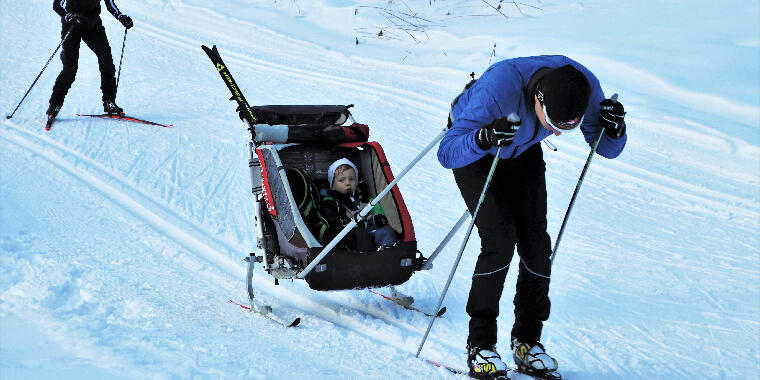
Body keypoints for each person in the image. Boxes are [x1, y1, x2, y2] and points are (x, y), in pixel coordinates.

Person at [437, 56, 627, 380]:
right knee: (499, 240)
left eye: (566, 128)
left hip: (522, 151)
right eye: (552, 124)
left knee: (537, 245)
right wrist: (483, 138)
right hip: (479, 149)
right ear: (538, 99)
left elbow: (607, 148)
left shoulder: (584, 86)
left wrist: (615, 129)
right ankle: (480, 345)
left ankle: (527, 342)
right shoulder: (499, 89)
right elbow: (448, 151)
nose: (555, 133)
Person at [46, 0, 134, 122]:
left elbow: (110, 4)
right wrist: (67, 15)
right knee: (70, 69)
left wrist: (120, 16)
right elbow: (57, 5)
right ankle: (55, 105)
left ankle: (109, 102)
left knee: (106, 61)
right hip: (72, 25)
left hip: (92, 26)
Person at [319, 158, 398, 250]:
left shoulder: (366, 199)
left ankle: (389, 254)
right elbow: (332, 221)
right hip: (347, 237)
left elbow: (379, 214)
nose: (347, 183)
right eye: (342, 180)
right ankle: (367, 259)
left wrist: (377, 219)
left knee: (387, 231)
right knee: (360, 233)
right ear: (332, 185)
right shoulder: (330, 202)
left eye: (351, 179)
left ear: (357, 182)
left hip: (370, 231)